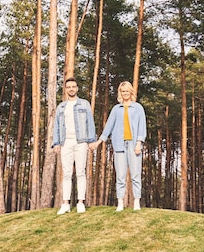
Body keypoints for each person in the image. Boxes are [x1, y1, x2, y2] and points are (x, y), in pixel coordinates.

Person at [90, 81, 146, 211]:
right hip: (119, 145)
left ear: (131, 92)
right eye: (123, 91)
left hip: (133, 145)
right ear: (120, 93)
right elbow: (108, 127)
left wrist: (139, 143)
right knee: (120, 175)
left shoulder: (138, 108)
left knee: (135, 174)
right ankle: (120, 202)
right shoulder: (116, 109)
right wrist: (99, 142)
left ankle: (136, 201)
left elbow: (142, 127)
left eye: (127, 91)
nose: (125, 93)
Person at [52, 77, 96, 215]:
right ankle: (65, 203)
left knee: (81, 172)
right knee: (66, 173)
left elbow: (90, 123)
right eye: (68, 87)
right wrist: (56, 143)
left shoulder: (84, 104)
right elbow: (57, 127)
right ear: (65, 89)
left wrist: (91, 140)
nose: (71, 89)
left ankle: (81, 202)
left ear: (77, 88)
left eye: (73, 86)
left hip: (81, 142)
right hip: (66, 142)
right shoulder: (61, 107)